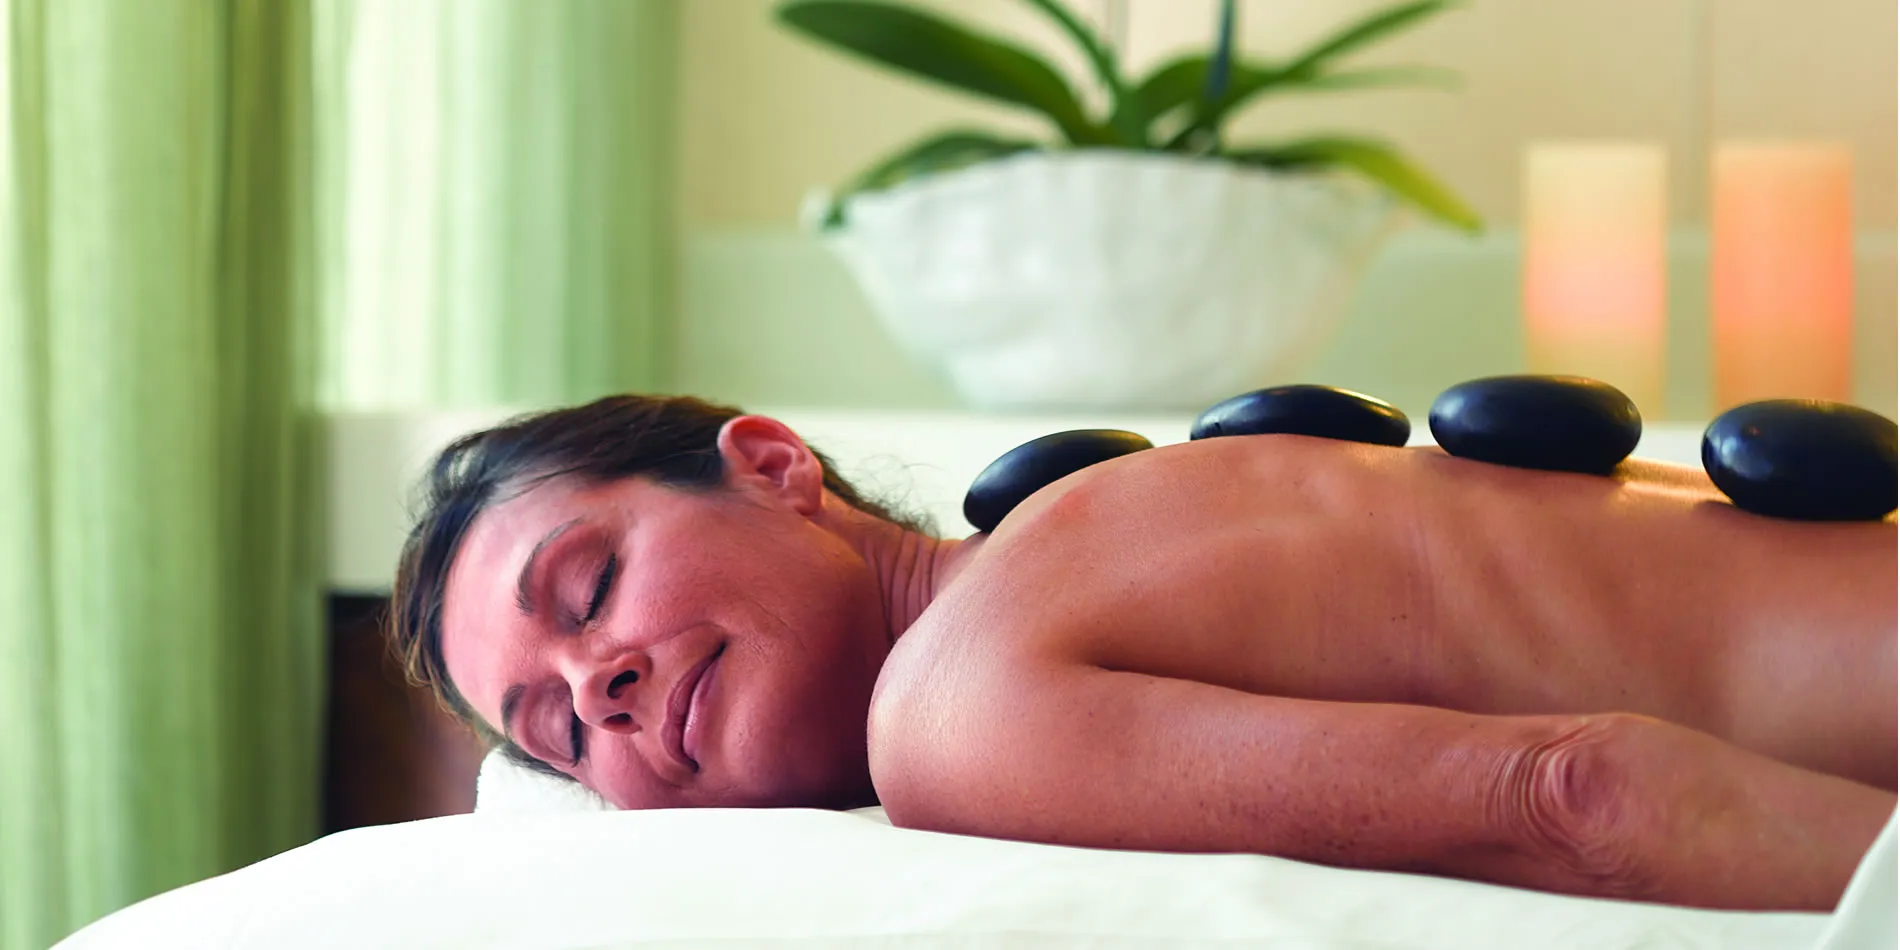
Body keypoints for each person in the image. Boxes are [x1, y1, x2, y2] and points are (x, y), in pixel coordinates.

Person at [390, 394, 1896, 912]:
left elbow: (1579, 794)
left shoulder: (958, 710)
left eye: (587, 590)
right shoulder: (1102, 516)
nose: (599, 688)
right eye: (560, 735)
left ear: (777, 463)